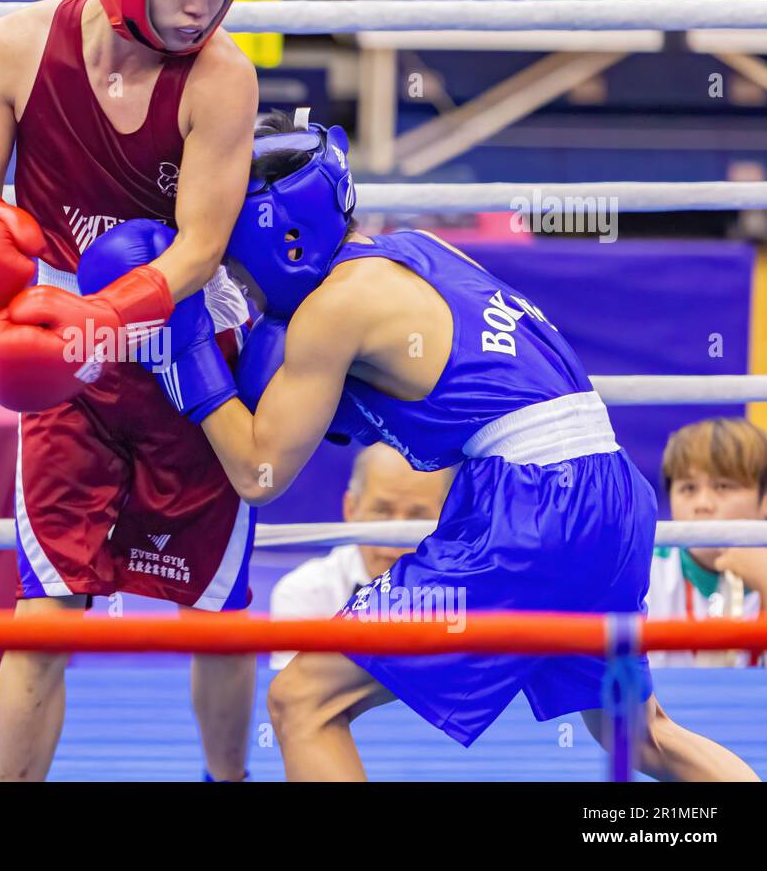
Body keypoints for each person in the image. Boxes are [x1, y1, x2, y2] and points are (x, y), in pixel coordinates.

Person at [84, 108, 760, 781]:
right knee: (640, 737)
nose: (230, 277)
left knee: (302, 700)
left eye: (230, 258)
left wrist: (186, 355)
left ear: (283, 240)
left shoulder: (333, 310)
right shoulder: (419, 250)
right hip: (610, 492)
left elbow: (259, 472)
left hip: (531, 510)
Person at [0, 0, 264, 781]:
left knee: (218, 612)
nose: (203, 8)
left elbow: (199, 249)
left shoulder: (222, 79)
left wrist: (107, 319)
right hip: (64, 363)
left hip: (187, 352)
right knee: (47, 605)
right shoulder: (12, 47)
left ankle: (231, 781)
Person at [269, 444, 452, 669]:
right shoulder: (305, 591)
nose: (395, 537)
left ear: (445, 519)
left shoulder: (466, 592)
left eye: (417, 517)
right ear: (351, 509)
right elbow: (291, 697)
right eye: (381, 511)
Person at [647, 417, 766, 668]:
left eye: (723, 486)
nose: (702, 504)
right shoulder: (643, 571)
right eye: (688, 488)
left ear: (764, 500)